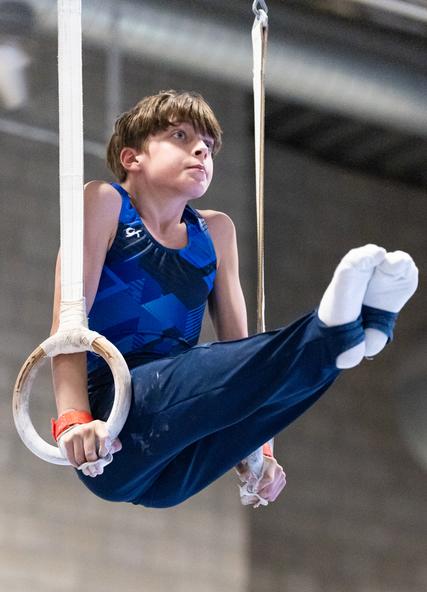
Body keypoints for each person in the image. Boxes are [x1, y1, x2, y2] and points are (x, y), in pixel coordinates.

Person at [50, 90, 418, 509]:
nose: (200, 151)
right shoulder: (105, 202)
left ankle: (346, 341)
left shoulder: (216, 233)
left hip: (176, 459)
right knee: (207, 367)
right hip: (113, 427)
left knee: (265, 390)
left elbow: (240, 356)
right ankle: (329, 334)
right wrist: (73, 420)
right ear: (133, 158)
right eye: (180, 136)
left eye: (207, 146)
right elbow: (67, 328)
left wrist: (261, 453)